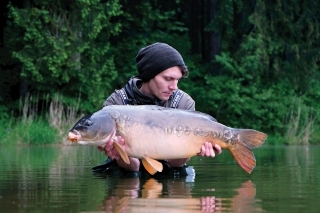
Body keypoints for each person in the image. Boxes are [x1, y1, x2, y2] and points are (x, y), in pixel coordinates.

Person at [92, 42, 222, 177]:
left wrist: (195, 148)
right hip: (127, 166)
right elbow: (133, 167)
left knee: (181, 173)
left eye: (177, 80)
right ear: (149, 75)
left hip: (168, 163)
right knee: (128, 176)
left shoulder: (183, 103)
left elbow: (175, 163)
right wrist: (120, 153)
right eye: (168, 79)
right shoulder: (116, 105)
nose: (174, 87)